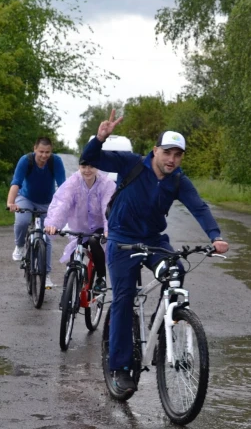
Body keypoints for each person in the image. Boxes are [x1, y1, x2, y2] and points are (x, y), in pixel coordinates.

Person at [80, 109, 229, 395]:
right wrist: (99, 139)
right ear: (155, 150)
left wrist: (215, 236)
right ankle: (120, 367)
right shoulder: (131, 163)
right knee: (124, 298)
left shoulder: (178, 180)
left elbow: (198, 207)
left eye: (178, 155)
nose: (172, 159)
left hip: (153, 240)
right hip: (122, 241)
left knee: (176, 271)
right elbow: (90, 159)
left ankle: (163, 324)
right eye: (167, 153)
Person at [43, 159, 115, 294]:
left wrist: (108, 229)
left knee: (94, 241)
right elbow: (62, 203)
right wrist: (53, 224)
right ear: (79, 166)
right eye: (84, 166)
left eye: (91, 166)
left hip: (99, 227)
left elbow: (108, 208)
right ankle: (69, 291)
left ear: (98, 166)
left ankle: (101, 278)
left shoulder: (107, 184)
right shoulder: (72, 182)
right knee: (74, 257)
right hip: (79, 227)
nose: (87, 170)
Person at [7, 136, 66, 289]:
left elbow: (63, 186)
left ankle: (46, 275)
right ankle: (20, 245)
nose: (44, 155)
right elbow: (16, 182)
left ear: (51, 151)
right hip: (25, 198)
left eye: (47, 152)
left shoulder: (55, 161)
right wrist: (11, 202)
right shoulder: (26, 160)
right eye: (41, 152)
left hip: (47, 202)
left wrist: (64, 205)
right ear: (35, 149)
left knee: (47, 237)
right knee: (22, 221)